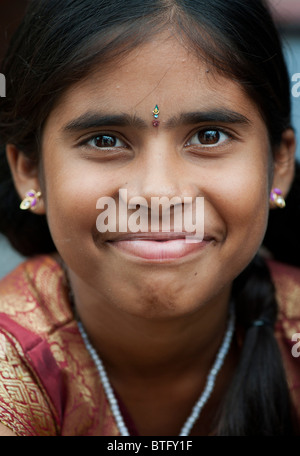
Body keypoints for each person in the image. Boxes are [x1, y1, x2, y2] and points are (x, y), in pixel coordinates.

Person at [0, 0, 299, 436]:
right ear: (28, 171)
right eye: (104, 140)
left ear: (280, 163)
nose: (158, 194)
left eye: (208, 136)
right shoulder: (15, 360)